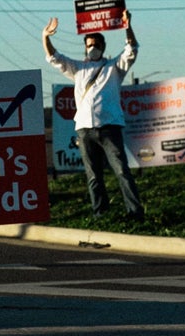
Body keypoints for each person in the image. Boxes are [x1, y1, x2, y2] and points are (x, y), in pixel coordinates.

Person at [42, 13, 144, 220]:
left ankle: (135, 212)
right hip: (84, 129)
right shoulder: (78, 68)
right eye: (89, 44)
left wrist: (127, 26)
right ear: (85, 47)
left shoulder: (114, 67)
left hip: (110, 127)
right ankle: (100, 214)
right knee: (93, 176)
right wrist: (45, 37)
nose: (93, 47)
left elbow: (131, 50)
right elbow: (54, 57)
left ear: (103, 46)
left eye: (96, 44)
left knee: (122, 171)